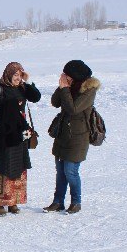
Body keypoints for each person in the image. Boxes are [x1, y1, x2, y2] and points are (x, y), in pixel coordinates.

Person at [43, 60, 99, 214]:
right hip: (63, 134)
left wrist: (65, 89)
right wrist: (61, 87)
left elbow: (73, 108)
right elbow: (55, 102)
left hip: (78, 137)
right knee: (60, 171)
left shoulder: (89, 89)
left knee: (70, 171)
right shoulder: (69, 87)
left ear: (75, 76)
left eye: (67, 74)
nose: (64, 76)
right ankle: (57, 201)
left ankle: (76, 202)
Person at [0, 62, 41, 216]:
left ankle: (13, 201)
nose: (18, 78)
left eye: (20, 75)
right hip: (3, 132)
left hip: (20, 132)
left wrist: (26, 81)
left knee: (19, 165)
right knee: (1, 165)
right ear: (8, 74)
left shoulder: (22, 88)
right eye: (15, 75)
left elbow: (36, 97)